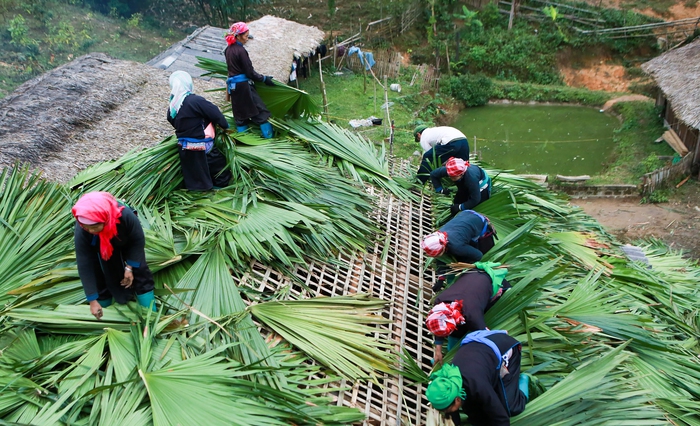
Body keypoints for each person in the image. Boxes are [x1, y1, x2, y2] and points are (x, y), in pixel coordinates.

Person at [72, 192, 156, 320]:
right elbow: (84, 263)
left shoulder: (124, 216)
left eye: (94, 227)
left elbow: (137, 240)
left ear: (105, 219)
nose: (90, 231)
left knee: (140, 271)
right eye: (87, 227)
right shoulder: (83, 227)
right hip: (100, 247)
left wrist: (130, 267)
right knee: (100, 272)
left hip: (124, 239)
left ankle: (152, 316)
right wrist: (92, 300)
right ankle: (105, 313)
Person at [425, 330, 530, 425]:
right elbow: (454, 414)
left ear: (457, 399)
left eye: (447, 410)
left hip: (505, 347)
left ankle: (524, 380)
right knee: (472, 408)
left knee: (510, 407)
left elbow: (502, 418)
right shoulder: (450, 386)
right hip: (479, 351)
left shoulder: (478, 386)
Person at [426, 264, 510, 365]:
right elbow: (439, 323)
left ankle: (458, 354)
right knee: (458, 331)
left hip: (490, 281)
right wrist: (438, 350)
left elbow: (486, 335)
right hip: (470, 276)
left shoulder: (472, 314)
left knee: (477, 325)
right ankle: (452, 352)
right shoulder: (439, 304)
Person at [167, 70, 232, 191]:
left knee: (196, 174)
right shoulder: (195, 100)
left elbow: (171, 120)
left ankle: (199, 193)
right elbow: (215, 113)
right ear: (188, 83)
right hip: (202, 145)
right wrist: (225, 126)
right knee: (220, 167)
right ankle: (221, 190)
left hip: (184, 147)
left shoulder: (173, 106)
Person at [224, 21, 275, 138]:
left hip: (234, 89)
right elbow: (250, 72)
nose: (247, 39)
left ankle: (245, 144)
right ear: (238, 36)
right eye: (246, 36)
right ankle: (270, 141)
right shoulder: (241, 51)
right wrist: (264, 79)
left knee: (240, 116)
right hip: (244, 87)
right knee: (261, 113)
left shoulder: (228, 50)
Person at [421, 210, 496, 267]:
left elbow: (479, 255)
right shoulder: (440, 233)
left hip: (480, 222)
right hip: (466, 214)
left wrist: (468, 266)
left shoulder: (456, 247)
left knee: (474, 255)